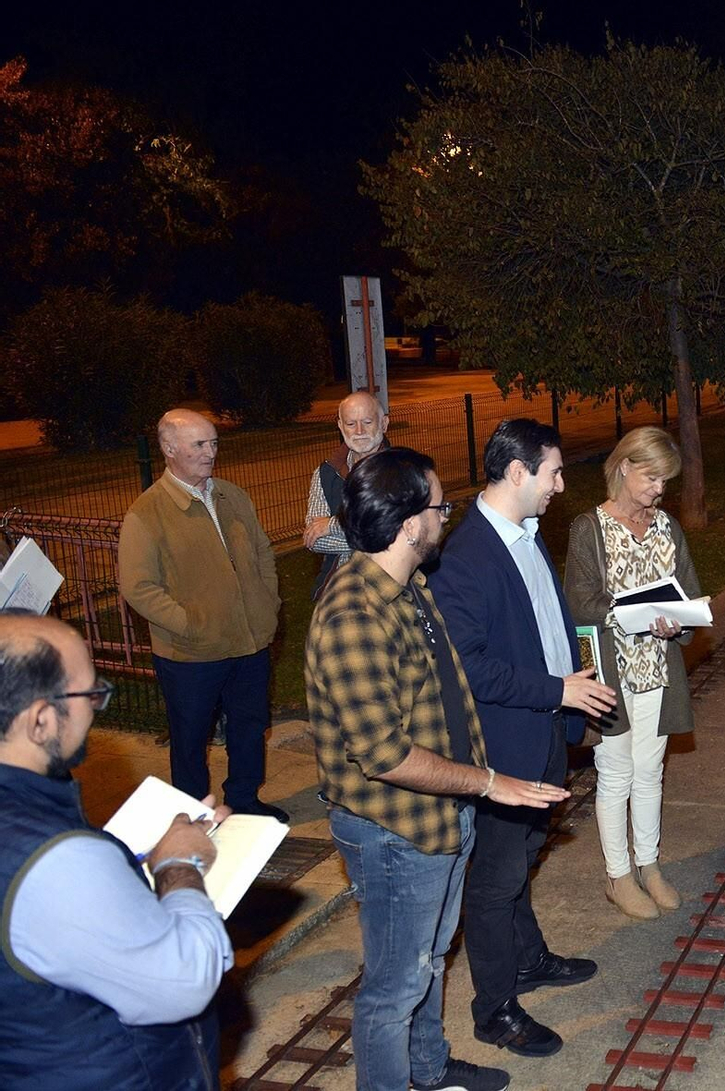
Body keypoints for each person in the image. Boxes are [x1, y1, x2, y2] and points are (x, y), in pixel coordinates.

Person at [307, 446, 570, 1091]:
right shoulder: (353, 615)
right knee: (391, 990)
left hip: (440, 817)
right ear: (406, 524)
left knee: (427, 965)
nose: (446, 516)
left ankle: (427, 1068)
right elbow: (385, 753)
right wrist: (488, 783)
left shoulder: (411, 585)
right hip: (395, 830)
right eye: (438, 506)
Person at [429, 420, 615, 1060]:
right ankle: (494, 1011)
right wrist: (557, 690)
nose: (561, 486)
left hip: (541, 733)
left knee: (523, 858)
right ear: (517, 472)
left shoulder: (527, 535)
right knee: (494, 880)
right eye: (554, 473)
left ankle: (528, 958)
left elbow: (545, 624)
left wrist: (572, 690)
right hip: (501, 749)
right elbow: (468, 665)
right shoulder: (468, 555)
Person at [0, 611, 233, 1090]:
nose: (96, 707)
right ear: (41, 720)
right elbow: (186, 979)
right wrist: (178, 864)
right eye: (89, 694)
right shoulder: (54, 860)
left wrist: (129, 865)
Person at [118, 408, 286, 821]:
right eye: (199, 444)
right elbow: (138, 586)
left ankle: (244, 802)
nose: (211, 452)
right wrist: (190, 624)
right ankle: (193, 815)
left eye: (213, 443)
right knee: (190, 740)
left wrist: (268, 600)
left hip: (249, 641)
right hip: (190, 655)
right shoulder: (147, 513)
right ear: (169, 449)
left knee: (249, 728)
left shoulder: (232, 495)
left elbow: (263, 552)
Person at [564, 426, 702, 920]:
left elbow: (688, 594)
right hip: (610, 673)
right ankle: (617, 875)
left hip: (657, 673)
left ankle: (649, 864)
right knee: (615, 773)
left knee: (650, 774)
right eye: (651, 478)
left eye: (665, 482)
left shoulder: (667, 528)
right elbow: (579, 602)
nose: (658, 490)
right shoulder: (591, 528)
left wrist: (675, 621)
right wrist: (630, 611)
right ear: (624, 466)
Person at [305, 389, 390, 599]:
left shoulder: (403, 470)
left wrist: (333, 525)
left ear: (384, 423)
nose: (359, 430)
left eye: (367, 422)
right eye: (351, 424)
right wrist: (375, 537)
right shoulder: (326, 474)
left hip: (390, 589)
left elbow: (398, 532)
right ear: (340, 426)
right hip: (339, 592)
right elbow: (314, 540)